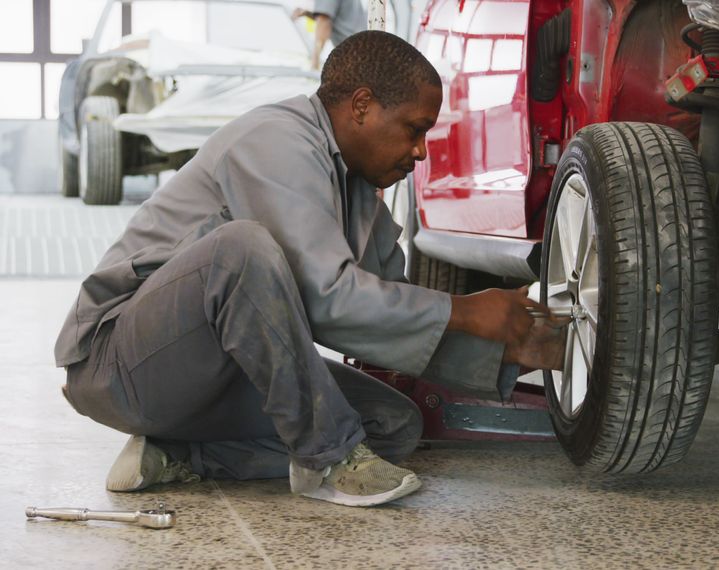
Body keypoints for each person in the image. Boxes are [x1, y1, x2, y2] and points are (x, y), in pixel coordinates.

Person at [54, 31, 565, 508]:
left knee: (392, 425)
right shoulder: (277, 141)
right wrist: (464, 310)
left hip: (214, 376)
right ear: (361, 105)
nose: (420, 152)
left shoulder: (360, 196)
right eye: (414, 130)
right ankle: (327, 460)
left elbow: (391, 316)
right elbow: (329, 298)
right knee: (240, 249)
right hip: (120, 361)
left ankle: (179, 455)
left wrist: (511, 352)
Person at [293, 0, 368, 70]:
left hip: (354, 56)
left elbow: (324, 20)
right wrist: (307, 13)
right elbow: (333, 15)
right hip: (363, 50)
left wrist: (314, 65)